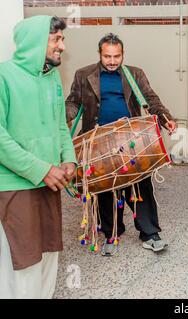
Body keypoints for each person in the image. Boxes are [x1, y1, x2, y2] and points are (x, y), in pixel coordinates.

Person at [66, 33, 177, 256]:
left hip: (131, 141)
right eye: (107, 56)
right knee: (104, 189)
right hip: (97, 141)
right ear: (100, 54)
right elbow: (73, 102)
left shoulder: (134, 73)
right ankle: (111, 232)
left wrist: (166, 119)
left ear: (122, 54)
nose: (112, 61)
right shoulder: (83, 74)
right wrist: (63, 120)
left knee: (140, 186)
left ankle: (150, 233)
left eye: (116, 56)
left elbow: (151, 99)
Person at [0, 16, 76, 298]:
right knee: (21, 264)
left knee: (48, 257)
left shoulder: (52, 77)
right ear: (35, 41)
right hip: (14, 185)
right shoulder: (3, 76)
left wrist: (69, 158)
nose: (62, 46)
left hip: (49, 181)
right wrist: (41, 169)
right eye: (56, 39)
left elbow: (59, 125)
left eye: (62, 39)